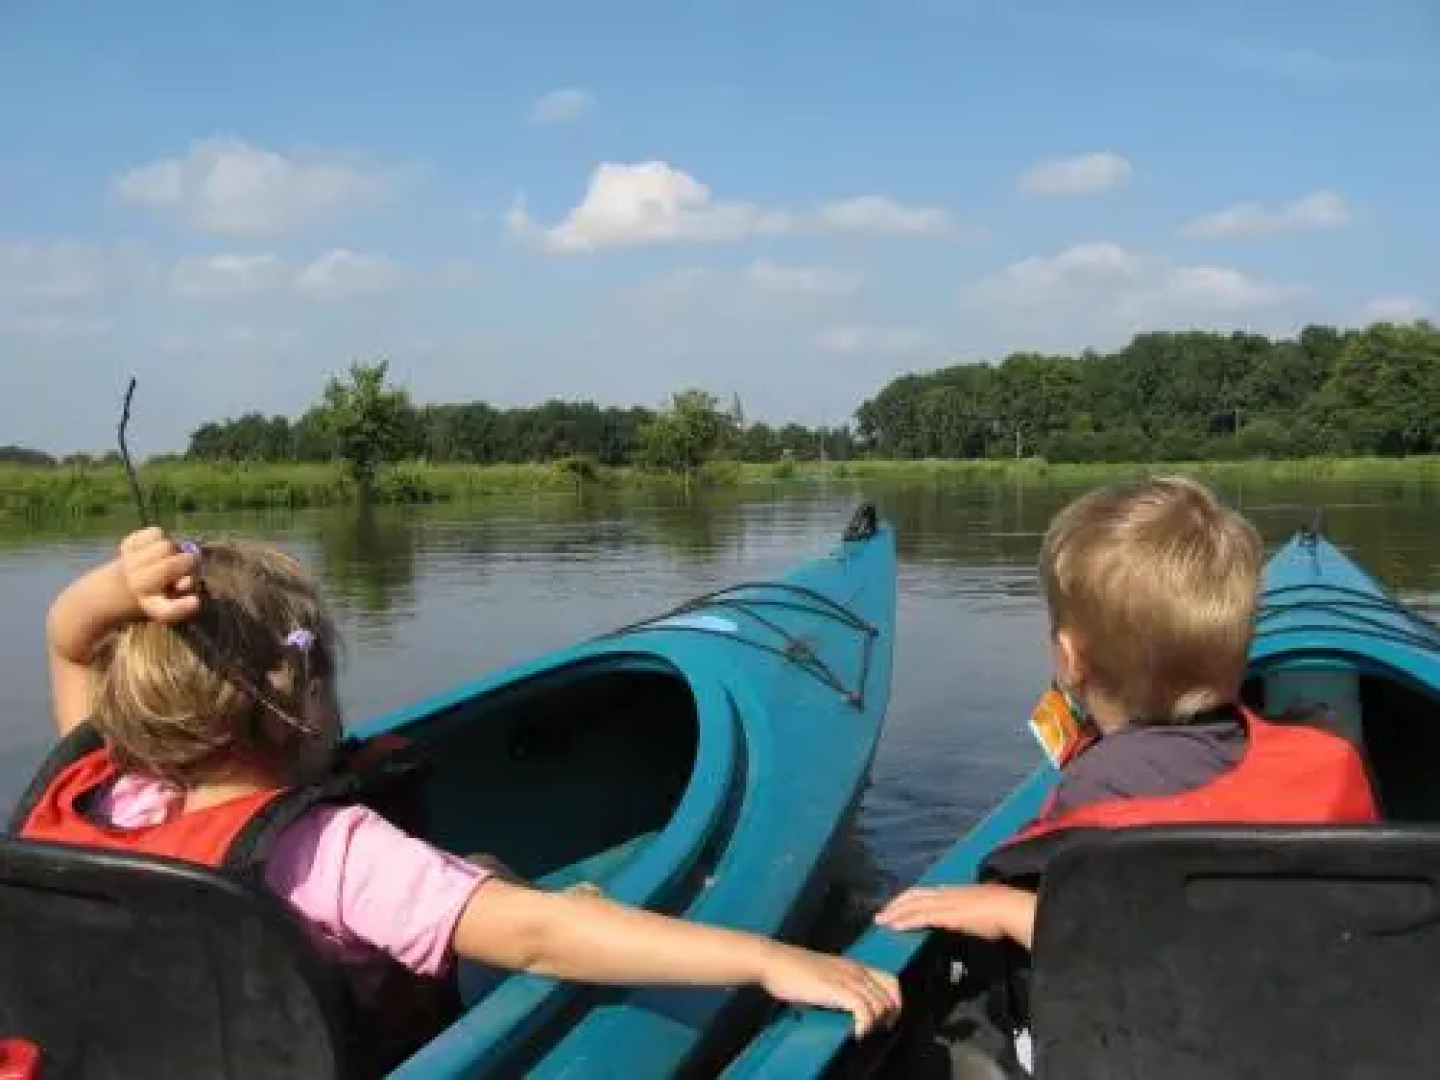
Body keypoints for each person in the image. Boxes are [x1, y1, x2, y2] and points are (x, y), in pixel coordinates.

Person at [13, 527, 900, 1071]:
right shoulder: (330, 850)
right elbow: (541, 939)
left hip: (134, 1050)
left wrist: (112, 593)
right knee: (493, 895)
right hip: (325, 1044)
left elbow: (66, 638)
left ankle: (482, 880)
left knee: (470, 873)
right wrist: (766, 960)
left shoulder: (93, 782)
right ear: (304, 701)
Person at [873, 476, 1379, 1075]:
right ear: (1241, 647)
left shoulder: (1093, 798)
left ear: (1070, 658)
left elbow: (1157, 957)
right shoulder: (1332, 762)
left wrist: (1014, 912)